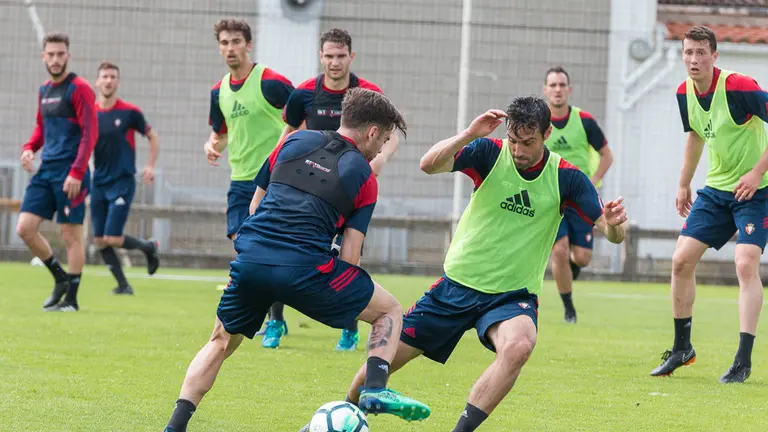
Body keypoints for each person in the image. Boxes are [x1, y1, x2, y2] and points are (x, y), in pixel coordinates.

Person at [342, 96, 628, 432]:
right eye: (513, 140)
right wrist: (468, 134)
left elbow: (612, 234)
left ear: (547, 134)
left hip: (510, 297)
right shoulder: (489, 152)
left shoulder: (567, 177)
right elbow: (428, 165)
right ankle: (341, 415)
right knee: (384, 359)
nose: (519, 151)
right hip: (455, 287)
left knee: (520, 345)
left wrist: (614, 223)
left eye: (528, 142)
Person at [163, 88, 430, 432]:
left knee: (220, 341)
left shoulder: (293, 141)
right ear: (373, 132)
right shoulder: (364, 175)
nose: (381, 149)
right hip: (307, 269)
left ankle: (175, 426)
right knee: (389, 310)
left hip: (253, 260)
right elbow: (350, 256)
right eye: (384, 140)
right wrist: (342, 291)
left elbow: (255, 207)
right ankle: (375, 389)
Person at [258, 28, 400, 351]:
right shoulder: (303, 94)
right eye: (329, 56)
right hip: (307, 187)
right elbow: (289, 134)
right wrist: (273, 171)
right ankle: (275, 322)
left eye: (341, 56)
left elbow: (392, 135)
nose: (335, 62)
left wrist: (378, 163)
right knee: (285, 247)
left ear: (352, 57)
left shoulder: (369, 93)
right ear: (320, 57)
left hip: (347, 189)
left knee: (348, 254)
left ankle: (348, 325)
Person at [650, 25, 768, 384]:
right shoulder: (684, 92)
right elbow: (696, 136)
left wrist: (755, 172)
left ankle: (742, 360)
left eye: (701, 52)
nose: (694, 59)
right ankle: (682, 349)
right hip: (716, 191)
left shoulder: (739, 86)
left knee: (745, 263)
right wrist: (684, 183)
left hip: (757, 190)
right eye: (688, 52)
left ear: (715, 56)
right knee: (680, 260)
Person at [17, 32, 97, 312]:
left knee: (71, 235)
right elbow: (41, 127)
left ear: (68, 56)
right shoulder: (44, 90)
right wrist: (30, 147)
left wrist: (76, 171)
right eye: (50, 54)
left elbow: (90, 132)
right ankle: (59, 278)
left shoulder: (80, 88)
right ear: (43, 57)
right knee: (25, 228)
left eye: (60, 54)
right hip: (46, 170)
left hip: (71, 172)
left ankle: (72, 300)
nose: (55, 59)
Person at [203, 19, 294, 241]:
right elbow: (222, 133)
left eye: (236, 41)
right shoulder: (218, 91)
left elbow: (303, 115)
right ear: (219, 48)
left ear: (249, 45)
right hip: (240, 179)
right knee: (239, 240)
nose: (230, 48)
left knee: (268, 243)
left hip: (274, 178)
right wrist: (211, 145)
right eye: (225, 43)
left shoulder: (270, 82)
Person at [542, 66, 613, 323]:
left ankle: (570, 272)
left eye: (562, 85)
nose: (558, 90)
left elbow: (607, 156)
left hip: (580, 197)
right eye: (553, 85)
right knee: (559, 250)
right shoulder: (539, 123)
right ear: (546, 90)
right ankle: (569, 308)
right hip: (551, 199)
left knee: (581, 258)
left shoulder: (584, 121)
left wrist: (592, 182)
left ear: (569, 90)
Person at [92, 61, 161, 295]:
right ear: (97, 81)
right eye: (105, 76)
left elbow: (153, 136)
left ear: (118, 82)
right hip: (97, 182)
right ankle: (123, 285)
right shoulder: (90, 113)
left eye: (113, 77)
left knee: (112, 236)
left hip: (122, 181)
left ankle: (148, 247)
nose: (109, 80)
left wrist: (150, 166)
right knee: (100, 240)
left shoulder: (129, 112)